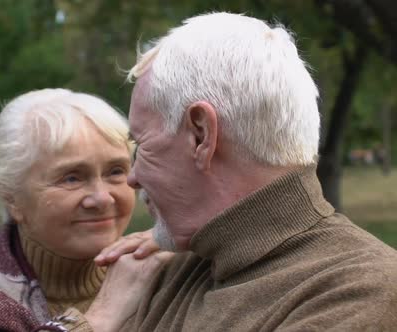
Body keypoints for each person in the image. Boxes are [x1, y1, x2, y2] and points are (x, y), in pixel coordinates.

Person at [80, 12, 397, 331]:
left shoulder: (362, 293)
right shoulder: (169, 266)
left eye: (143, 144)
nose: (132, 178)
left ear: (200, 136)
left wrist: (97, 322)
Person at [0, 89, 167, 331]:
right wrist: (102, 316)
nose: (102, 199)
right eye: (71, 178)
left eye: (115, 172)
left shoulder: (159, 270)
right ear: (11, 197)